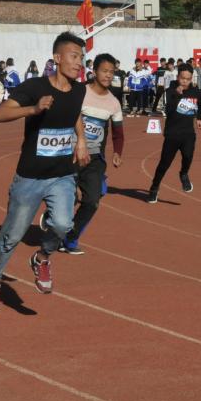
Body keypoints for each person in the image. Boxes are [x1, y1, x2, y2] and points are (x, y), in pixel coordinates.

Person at [0, 32, 90, 313]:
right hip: (29, 177)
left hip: (62, 175)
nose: (79, 63)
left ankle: (42, 258)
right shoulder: (34, 87)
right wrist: (33, 108)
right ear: (57, 58)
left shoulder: (79, 90)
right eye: (74, 56)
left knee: (63, 225)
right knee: (11, 236)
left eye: (81, 58)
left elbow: (75, 113)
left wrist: (81, 140)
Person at [58, 53, 125, 254]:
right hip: (68, 152)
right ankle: (54, 217)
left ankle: (70, 239)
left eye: (111, 72)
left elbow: (118, 132)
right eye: (104, 71)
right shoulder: (80, 91)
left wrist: (117, 152)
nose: (108, 75)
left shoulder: (114, 103)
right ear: (94, 71)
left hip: (94, 158)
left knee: (92, 201)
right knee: (65, 195)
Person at [147, 64, 201, 204]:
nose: (185, 81)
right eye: (182, 78)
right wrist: (177, 95)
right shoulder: (170, 91)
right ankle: (154, 188)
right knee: (164, 164)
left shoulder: (195, 92)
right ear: (178, 77)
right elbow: (169, 110)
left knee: (188, 156)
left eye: (188, 79)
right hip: (172, 134)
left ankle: (183, 174)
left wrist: (200, 118)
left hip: (188, 133)